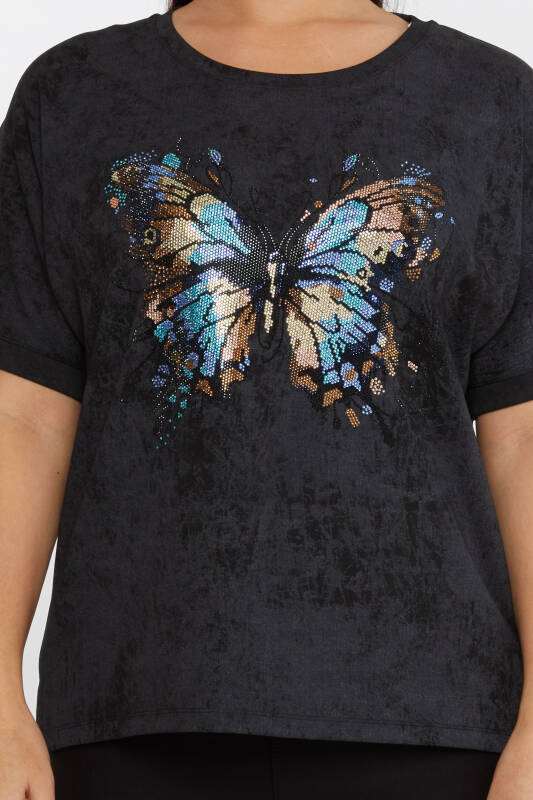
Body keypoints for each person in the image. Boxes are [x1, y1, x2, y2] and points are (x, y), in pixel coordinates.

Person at [1, 0, 532, 796]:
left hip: (434, 721)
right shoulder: (73, 91)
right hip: (131, 713)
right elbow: (22, 415)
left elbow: (522, 434)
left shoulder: (491, 98)